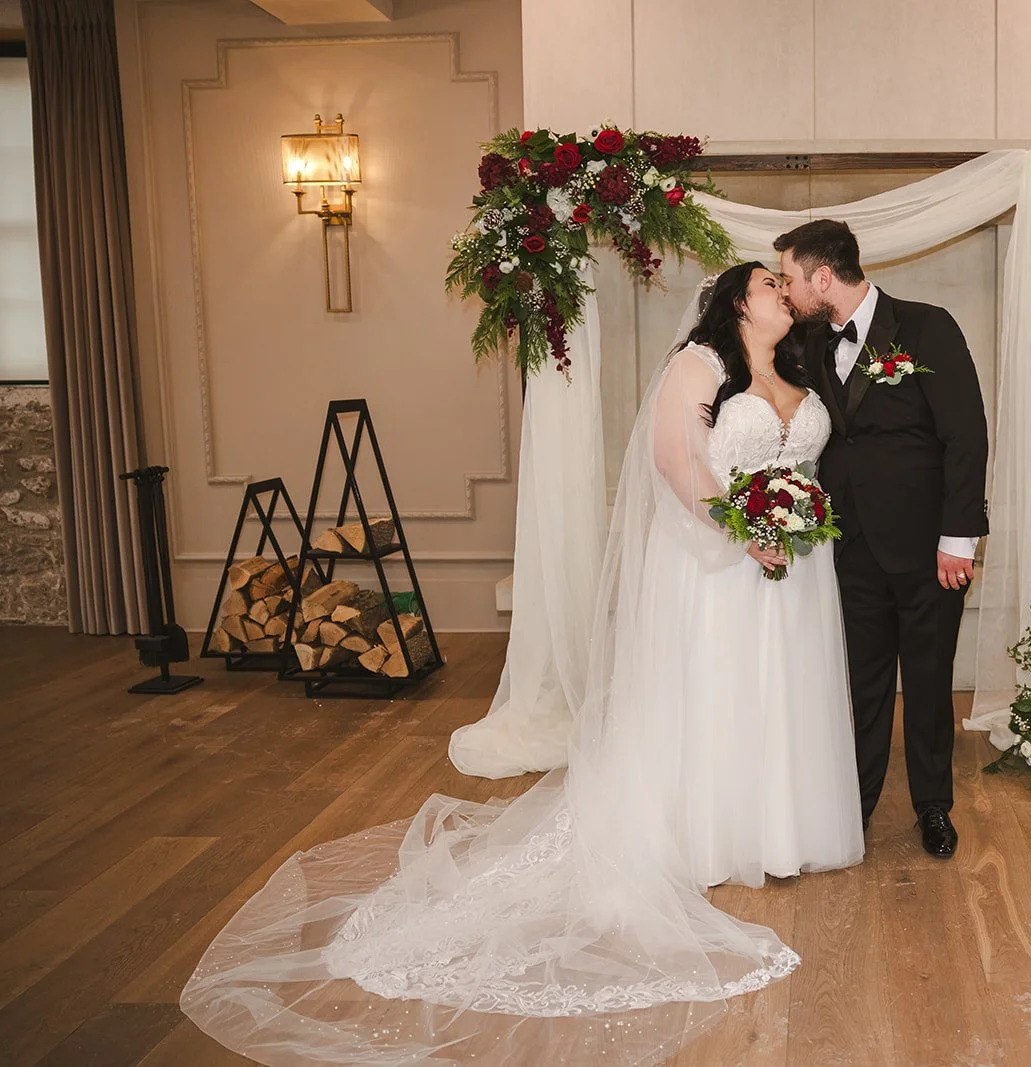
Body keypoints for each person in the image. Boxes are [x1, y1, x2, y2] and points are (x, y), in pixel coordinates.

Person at [179, 262, 863, 1066]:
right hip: (719, 564)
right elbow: (674, 463)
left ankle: (781, 824)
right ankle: (714, 832)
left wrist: (795, 518)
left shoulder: (795, 367)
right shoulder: (697, 365)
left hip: (793, 571)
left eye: (787, 287)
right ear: (733, 303)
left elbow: (809, 458)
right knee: (717, 695)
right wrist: (740, 528)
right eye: (768, 285)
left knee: (777, 699)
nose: (784, 294)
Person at [776, 220, 989, 858]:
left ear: (822, 276)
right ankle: (856, 806)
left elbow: (966, 436)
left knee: (928, 681)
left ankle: (933, 807)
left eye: (789, 277)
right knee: (860, 684)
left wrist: (960, 539)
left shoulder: (928, 327)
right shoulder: (807, 341)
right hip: (848, 545)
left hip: (930, 549)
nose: (786, 291)